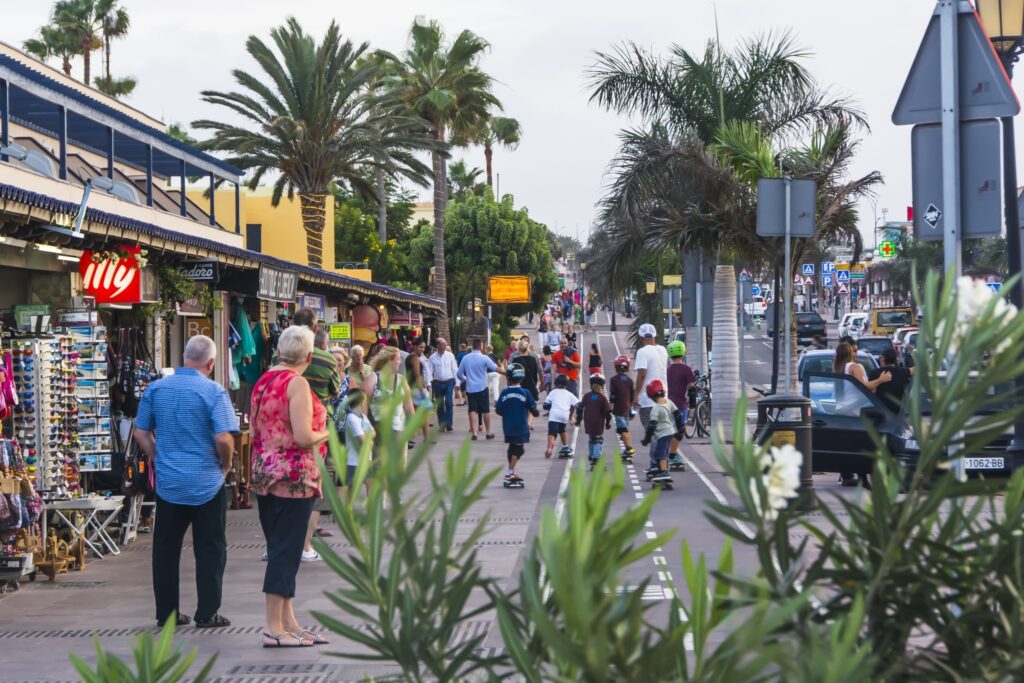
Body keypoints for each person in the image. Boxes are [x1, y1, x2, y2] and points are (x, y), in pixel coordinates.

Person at [133, 335, 238, 629]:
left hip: (169, 483)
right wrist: (226, 464)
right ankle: (207, 612)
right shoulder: (214, 392)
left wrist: (158, 457)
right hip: (207, 482)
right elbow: (223, 437)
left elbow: (141, 432)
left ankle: (167, 613)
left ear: (184, 356)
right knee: (211, 548)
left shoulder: (155, 389)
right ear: (211, 363)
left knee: (165, 549)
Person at [249, 325, 330, 647]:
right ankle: (273, 627)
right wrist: (330, 432)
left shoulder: (264, 380)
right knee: (286, 552)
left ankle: (289, 622)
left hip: (265, 473)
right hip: (294, 478)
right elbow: (303, 436)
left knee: (282, 548)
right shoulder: (297, 383)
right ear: (309, 356)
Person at [834, 341, 891, 487]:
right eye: (854, 350)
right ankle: (863, 478)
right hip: (856, 410)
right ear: (850, 353)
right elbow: (864, 387)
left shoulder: (839, 369)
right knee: (861, 446)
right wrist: (881, 380)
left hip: (842, 411)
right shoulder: (855, 366)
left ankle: (847, 476)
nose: (856, 353)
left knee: (847, 446)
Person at [367, 346, 415, 465]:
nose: (400, 362)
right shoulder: (373, 379)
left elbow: (408, 406)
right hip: (378, 431)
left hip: (398, 430)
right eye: (398, 359)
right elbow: (362, 404)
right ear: (389, 360)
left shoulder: (401, 380)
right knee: (379, 465)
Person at [495, 363, 539, 488]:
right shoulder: (525, 392)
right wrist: (535, 411)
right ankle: (509, 472)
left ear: (508, 377)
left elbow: (498, 410)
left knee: (512, 447)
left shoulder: (504, 392)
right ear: (522, 377)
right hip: (521, 426)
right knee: (519, 449)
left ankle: (512, 470)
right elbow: (533, 409)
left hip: (507, 426)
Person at [640, 379, 683, 483]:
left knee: (660, 453)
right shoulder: (669, 402)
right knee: (662, 452)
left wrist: (646, 439)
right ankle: (662, 469)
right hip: (671, 432)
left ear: (651, 396)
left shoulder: (656, 408)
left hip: (662, 434)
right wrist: (680, 428)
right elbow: (678, 414)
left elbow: (652, 425)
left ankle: (664, 471)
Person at [457, 339, 500, 440]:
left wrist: (466, 379)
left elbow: (459, 374)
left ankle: (475, 432)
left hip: (470, 388)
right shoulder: (484, 358)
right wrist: (507, 373)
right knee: (486, 410)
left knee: (472, 410)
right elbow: (495, 368)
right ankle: (488, 432)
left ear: (472, 346)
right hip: (482, 387)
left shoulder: (465, 358)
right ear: (481, 346)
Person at [633, 323, 669, 438]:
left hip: (648, 400)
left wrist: (636, 395)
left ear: (641, 337)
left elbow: (642, 374)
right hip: (663, 399)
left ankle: (657, 450)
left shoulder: (642, 352)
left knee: (652, 434)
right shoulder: (663, 350)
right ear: (655, 336)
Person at [665, 340, 695, 470]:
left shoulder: (668, 369)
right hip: (681, 404)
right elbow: (692, 389)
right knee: (679, 430)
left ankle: (672, 453)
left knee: (671, 429)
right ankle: (672, 455)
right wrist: (693, 404)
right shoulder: (687, 369)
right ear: (683, 353)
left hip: (668, 403)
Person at [575, 373, 613, 469]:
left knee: (592, 438)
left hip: (588, 422)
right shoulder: (602, 398)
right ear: (602, 386)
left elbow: (579, 408)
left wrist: (578, 420)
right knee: (598, 439)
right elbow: (608, 413)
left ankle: (592, 456)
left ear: (591, 384)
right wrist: (608, 423)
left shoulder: (587, 396)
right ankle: (596, 459)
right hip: (598, 422)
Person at [342, 389, 374, 497]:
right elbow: (363, 441)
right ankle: (348, 506)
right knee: (353, 488)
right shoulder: (352, 419)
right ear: (361, 402)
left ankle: (371, 506)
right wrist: (368, 438)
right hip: (354, 461)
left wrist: (366, 436)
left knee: (370, 483)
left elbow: (373, 433)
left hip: (365, 459)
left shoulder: (363, 417)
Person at [544, 374, 580, 459]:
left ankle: (550, 447)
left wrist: (549, 407)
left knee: (552, 433)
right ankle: (565, 446)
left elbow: (545, 405)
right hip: (564, 416)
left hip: (554, 415)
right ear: (566, 384)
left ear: (556, 383)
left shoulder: (553, 392)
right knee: (562, 430)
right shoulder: (569, 394)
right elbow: (578, 404)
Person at [608, 354, 637, 460]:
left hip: (619, 408)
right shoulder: (630, 380)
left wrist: (609, 408)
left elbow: (613, 396)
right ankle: (627, 448)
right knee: (625, 428)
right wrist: (632, 411)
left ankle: (629, 448)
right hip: (627, 408)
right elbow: (632, 397)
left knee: (621, 429)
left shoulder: (613, 379)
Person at [428, 338, 459, 432]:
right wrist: (429, 382)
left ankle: (449, 424)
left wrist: (457, 382)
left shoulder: (450, 356)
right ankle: (442, 424)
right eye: (442, 344)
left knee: (449, 402)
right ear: (437, 345)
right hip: (437, 383)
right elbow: (429, 371)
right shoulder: (432, 357)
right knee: (440, 404)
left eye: (445, 344)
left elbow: (454, 369)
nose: (444, 346)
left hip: (449, 381)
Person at [869, 347, 912, 414]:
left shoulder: (874, 373)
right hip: (898, 413)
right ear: (895, 359)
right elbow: (917, 369)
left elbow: (870, 394)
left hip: (880, 414)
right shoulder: (903, 372)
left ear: (883, 358)